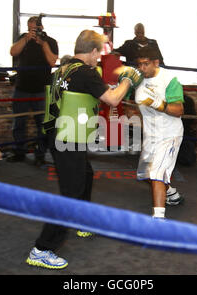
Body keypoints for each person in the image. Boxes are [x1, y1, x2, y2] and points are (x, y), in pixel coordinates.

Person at [26, 30, 142, 270]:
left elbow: (83, 90)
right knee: (70, 191)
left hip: (57, 133)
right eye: (98, 53)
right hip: (68, 138)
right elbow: (112, 100)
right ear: (92, 51)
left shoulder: (63, 69)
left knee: (85, 175)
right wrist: (128, 80)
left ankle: (82, 220)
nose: (99, 58)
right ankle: (42, 248)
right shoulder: (86, 72)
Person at [134, 46, 185, 219]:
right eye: (139, 64)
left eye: (146, 64)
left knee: (157, 174)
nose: (142, 68)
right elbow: (123, 99)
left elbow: (178, 110)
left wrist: (159, 104)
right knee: (146, 173)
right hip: (151, 135)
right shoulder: (138, 79)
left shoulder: (169, 80)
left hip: (170, 134)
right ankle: (171, 193)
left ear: (156, 62)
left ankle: (158, 220)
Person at [8, 16, 58, 166]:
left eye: (35, 29)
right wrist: (25, 39)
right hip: (22, 87)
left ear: (41, 27)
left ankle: (40, 155)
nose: (32, 32)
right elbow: (13, 52)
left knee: (42, 125)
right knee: (18, 122)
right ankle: (19, 152)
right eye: (30, 29)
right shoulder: (23, 38)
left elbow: (52, 61)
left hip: (41, 89)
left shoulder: (51, 41)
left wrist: (43, 44)